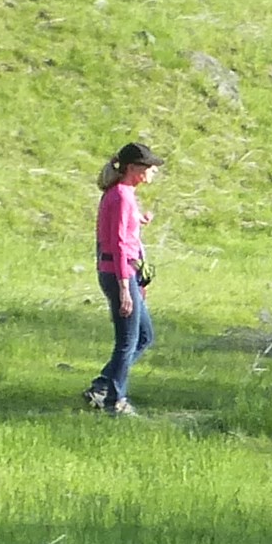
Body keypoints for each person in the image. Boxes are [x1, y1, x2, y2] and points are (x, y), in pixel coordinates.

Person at [83, 141, 161, 415]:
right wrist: (125, 289)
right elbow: (116, 243)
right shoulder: (119, 196)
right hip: (119, 274)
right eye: (148, 166)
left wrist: (140, 221)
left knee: (144, 336)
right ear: (132, 168)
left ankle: (103, 384)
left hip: (129, 273)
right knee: (127, 341)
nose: (153, 170)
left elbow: (125, 229)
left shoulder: (124, 195)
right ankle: (115, 401)